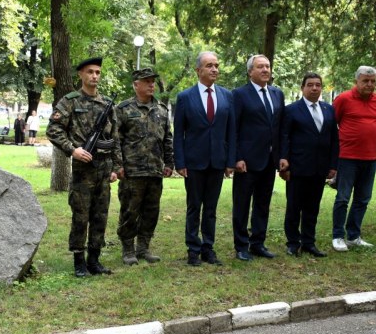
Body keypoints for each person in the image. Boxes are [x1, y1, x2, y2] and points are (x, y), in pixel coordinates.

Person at [46, 57, 121, 278]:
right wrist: (72, 150)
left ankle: (94, 260)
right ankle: (79, 261)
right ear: (81, 75)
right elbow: (54, 130)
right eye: (90, 72)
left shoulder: (107, 103)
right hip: (82, 170)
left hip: (104, 169)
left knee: (101, 216)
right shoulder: (70, 101)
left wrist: (116, 167)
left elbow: (114, 137)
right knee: (81, 216)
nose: (94, 76)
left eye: (97, 72)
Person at [173, 51, 236, 266]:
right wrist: (180, 163)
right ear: (198, 70)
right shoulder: (184, 97)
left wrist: (230, 161)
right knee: (194, 207)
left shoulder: (227, 96)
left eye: (216, 65)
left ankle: (208, 248)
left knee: (211, 209)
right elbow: (178, 133)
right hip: (194, 162)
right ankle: (193, 249)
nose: (214, 69)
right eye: (209, 65)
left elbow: (231, 132)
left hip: (217, 161)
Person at [116, 67, 174, 265]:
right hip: (132, 171)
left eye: (153, 81)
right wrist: (118, 165)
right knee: (130, 211)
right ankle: (128, 248)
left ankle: (143, 247)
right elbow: (116, 140)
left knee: (151, 211)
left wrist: (169, 163)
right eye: (147, 81)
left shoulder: (161, 110)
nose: (151, 84)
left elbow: (167, 139)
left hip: (155, 170)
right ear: (135, 85)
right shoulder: (123, 109)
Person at [231, 54, 285, 261]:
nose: (265, 70)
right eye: (260, 67)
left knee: (263, 204)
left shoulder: (277, 94)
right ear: (250, 71)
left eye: (268, 66)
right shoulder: (239, 94)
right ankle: (241, 246)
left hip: (269, 160)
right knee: (242, 205)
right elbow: (233, 128)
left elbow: (278, 128)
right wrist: (237, 157)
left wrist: (281, 157)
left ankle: (258, 243)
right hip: (247, 161)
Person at [279, 73, 338, 257]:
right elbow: (284, 138)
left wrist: (333, 165)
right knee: (294, 207)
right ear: (302, 88)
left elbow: (334, 140)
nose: (314, 88)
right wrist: (284, 163)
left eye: (318, 85)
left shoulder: (329, 110)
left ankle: (308, 242)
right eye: (310, 85)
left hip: (320, 168)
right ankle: (292, 243)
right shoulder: (291, 110)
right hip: (298, 167)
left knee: (313, 208)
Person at [331, 66, 376, 251]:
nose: (369, 85)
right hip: (347, 157)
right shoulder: (343, 99)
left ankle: (353, 236)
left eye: (373, 82)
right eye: (365, 81)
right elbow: (333, 124)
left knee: (363, 198)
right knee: (343, 198)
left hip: (370, 158)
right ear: (357, 81)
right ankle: (338, 236)